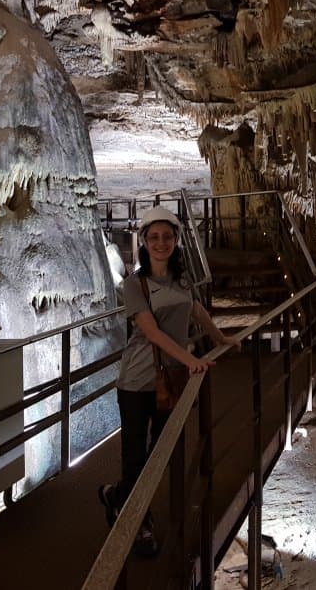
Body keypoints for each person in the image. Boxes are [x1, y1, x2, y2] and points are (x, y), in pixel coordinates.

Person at [98, 206, 238, 555]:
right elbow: (151, 332)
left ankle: (117, 496)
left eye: (167, 237)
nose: (161, 243)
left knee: (160, 452)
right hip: (136, 381)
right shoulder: (135, 284)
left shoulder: (181, 278)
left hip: (170, 379)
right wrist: (192, 359)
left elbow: (195, 309)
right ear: (144, 242)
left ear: (176, 240)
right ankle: (137, 524)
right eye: (154, 237)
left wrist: (219, 337)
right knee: (135, 456)